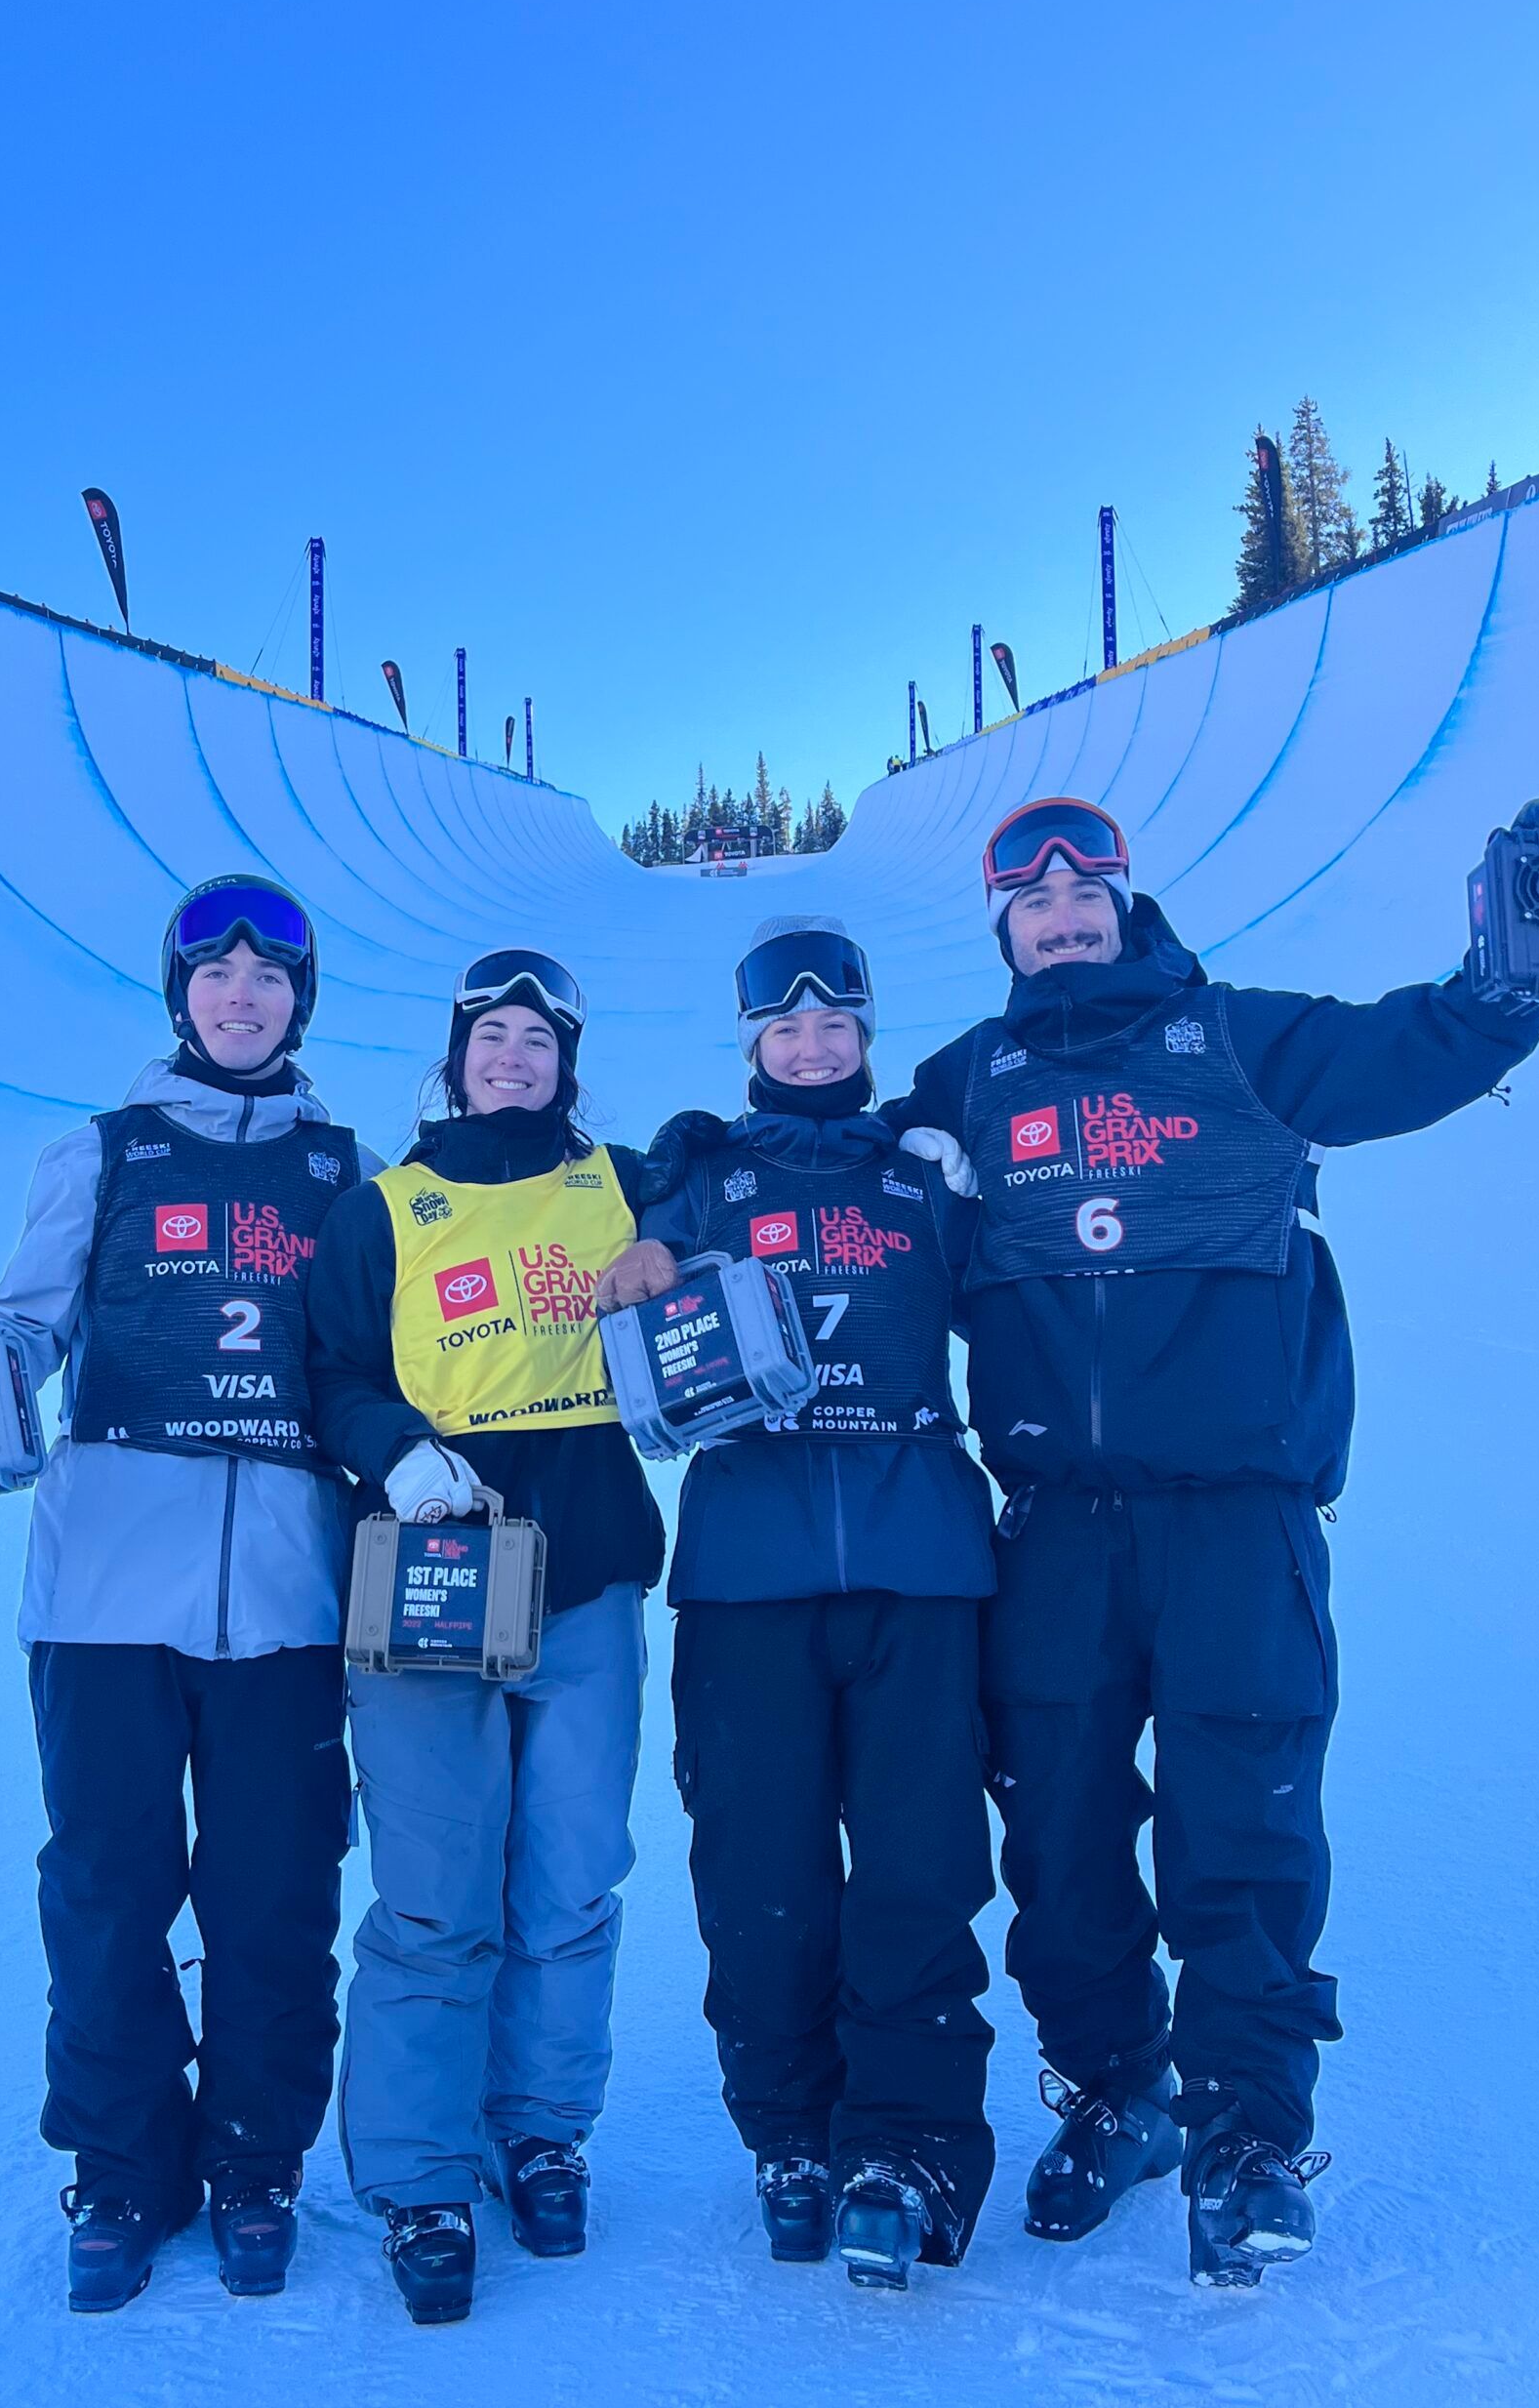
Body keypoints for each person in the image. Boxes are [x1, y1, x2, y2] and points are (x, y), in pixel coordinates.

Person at [883, 796, 1539, 2286]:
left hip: (1239, 1518)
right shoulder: (962, 1086)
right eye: (1029, 896)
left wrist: (1506, 984)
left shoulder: (1234, 1037)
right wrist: (681, 1184)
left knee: (1243, 1819)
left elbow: (1409, 1048)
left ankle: (1248, 2130)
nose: (1060, 907)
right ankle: (1121, 2090)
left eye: (1085, 885)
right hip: (1057, 1524)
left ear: (1125, 900)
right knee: (1057, 1830)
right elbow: (826, 1185)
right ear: (1002, 929)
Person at [0, 877, 376, 2313]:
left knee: (274, 1890)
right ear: (179, 995)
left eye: (270, 976)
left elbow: (383, 1367)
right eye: (213, 974)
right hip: (101, 1596)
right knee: (107, 1889)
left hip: (284, 1594)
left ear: (299, 1000)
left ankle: (256, 2157)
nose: (241, 995)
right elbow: (24, 1333)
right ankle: (125, 2166)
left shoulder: (348, 1168)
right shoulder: (101, 1152)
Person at [598, 917, 999, 2293]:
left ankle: (908, 2144)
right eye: (788, 1025)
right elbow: (626, 1273)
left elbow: (1033, 1300)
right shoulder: (701, 1172)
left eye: (839, 1024)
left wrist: (977, 1188)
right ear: (753, 1040)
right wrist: (648, 1245)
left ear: (867, 1038)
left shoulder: (922, 1173)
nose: (814, 1043)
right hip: (749, 1566)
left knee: (920, 1861)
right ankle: (790, 2132)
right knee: (758, 1871)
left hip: (923, 1559)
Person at [304, 950, 664, 2326]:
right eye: (490, 1036)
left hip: (585, 1574)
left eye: (537, 1039)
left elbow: (717, 1184)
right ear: (453, 1058)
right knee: (436, 1893)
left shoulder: (620, 1182)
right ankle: (421, 2177)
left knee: (571, 1879)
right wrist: (393, 1447)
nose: (512, 1057)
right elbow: (329, 1368)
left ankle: (541, 2130)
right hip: (431, 1570)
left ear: (568, 1064)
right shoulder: (386, 1207)